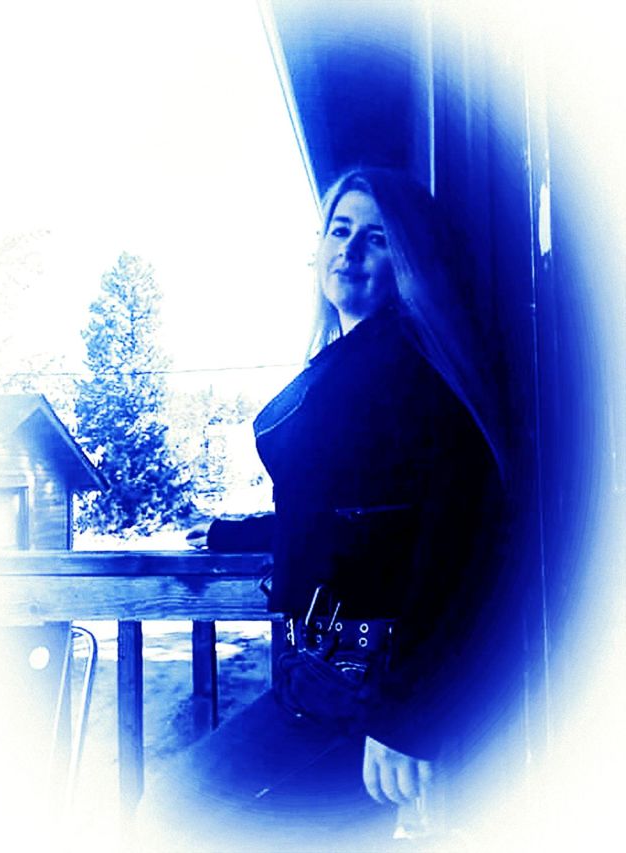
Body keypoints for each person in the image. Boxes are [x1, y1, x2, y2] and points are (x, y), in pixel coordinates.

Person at [138, 168, 505, 853]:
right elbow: (351, 512)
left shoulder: (411, 367)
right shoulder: (362, 358)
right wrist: (235, 532)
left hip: (367, 677)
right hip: (332, 669)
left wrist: (408, 713)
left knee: (174, 808)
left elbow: (457, 536)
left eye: (378, 238)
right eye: (340, 230)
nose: (351, 250)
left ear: (410, 260)